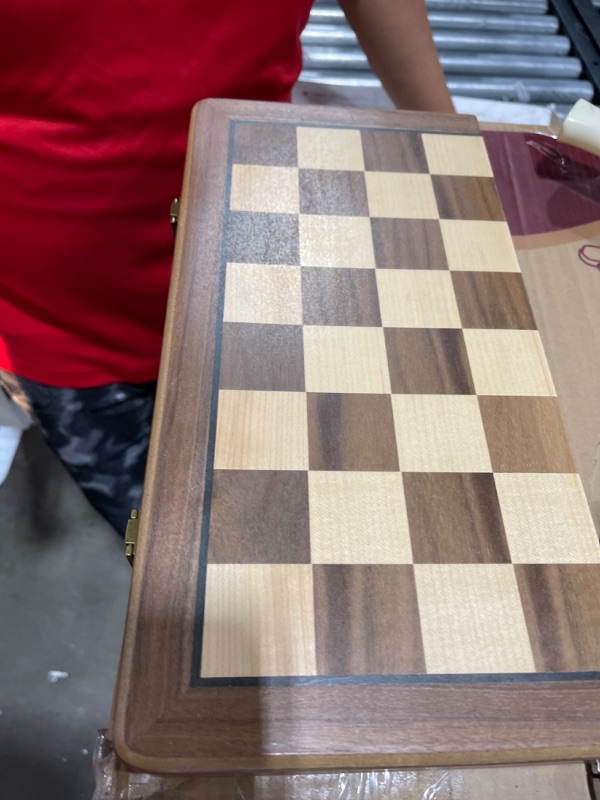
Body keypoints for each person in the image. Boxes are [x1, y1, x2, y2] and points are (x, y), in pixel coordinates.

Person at [0, 0, 454, 536]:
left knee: (306, 500)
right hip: (59, 315)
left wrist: (448, 146)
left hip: (261, 237)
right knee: (176, 542)